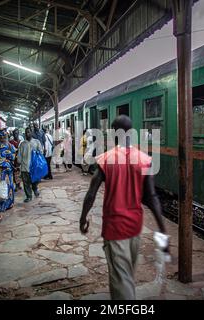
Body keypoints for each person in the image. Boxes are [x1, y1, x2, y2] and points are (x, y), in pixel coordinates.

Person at [79, 115, 169, 300]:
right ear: (131, 132)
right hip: (135, 228)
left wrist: (83, 218)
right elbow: (152, 198)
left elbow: (91, 193)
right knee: (127, 275)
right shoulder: (144, 159)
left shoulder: (106, 159)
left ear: (113, 133)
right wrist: (162, 229)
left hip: (114, 229)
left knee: (122, 281)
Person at [0, 129, 16, 212]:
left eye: (4, 137)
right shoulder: (1, 147)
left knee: (3, 186)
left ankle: (3, 204)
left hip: (2, 170)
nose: (4, 139)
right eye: (3, 137)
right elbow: (12, 157)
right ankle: (4, 205)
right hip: (3, 170)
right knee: (4, 187)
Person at [17, 127, 43, 203]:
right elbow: (19, 156)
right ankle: (29, 196)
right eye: (26, 132)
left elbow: (41, 152)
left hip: (34, 167)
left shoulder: (36, 142)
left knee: (35, 180)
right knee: (26, 183)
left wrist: (37, 152)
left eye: (29, 132)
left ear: (31, 133)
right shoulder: (22, 144)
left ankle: (35, 189)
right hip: (25, 167)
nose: (27, 134)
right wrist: (19, 163)